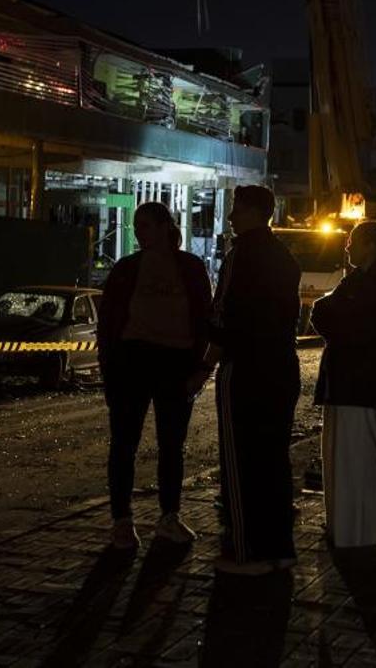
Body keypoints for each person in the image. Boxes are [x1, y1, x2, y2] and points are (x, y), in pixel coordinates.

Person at [190, 185, 302, 575]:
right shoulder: (284, 257)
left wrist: (203, 369)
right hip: (282, 368)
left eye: (237, 208)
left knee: (241, 463)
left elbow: (223, 319)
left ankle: (247, 551)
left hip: (247, 372)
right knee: (274, 460)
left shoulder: (241, 255)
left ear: (254, 211)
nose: (232, 216)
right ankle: (280, 547)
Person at [96, 202, 214, 550]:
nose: (139, 233)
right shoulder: (127, 269)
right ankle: (122, 521)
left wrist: (199, 369)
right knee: (124, 444)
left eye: (145, 226)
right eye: (136, 226)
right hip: (132, 361)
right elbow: (108, 325)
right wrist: (109, 369)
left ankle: (169, 516)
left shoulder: (190, 268)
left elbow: (203, 319)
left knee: (172, 445)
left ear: (165, 227)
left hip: (174, 363)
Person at [310, 220, 376, 548]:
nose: (347, 247)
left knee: (354, 459)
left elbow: (329, 316)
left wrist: (329, 315)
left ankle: (355, 533)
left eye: (352, 241)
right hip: (354, 384)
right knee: (350, 457)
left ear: (368, 245)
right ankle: (350, 530)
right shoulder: (369, 281)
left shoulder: (371, 283)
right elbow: (329, 314)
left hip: (357, 385)